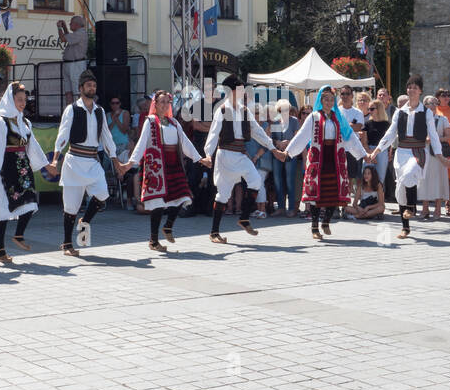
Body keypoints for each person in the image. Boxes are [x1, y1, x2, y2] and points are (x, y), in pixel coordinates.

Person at [202, 75, 286, 243]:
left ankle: (244, 218)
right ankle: (214, 233)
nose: (243, 91)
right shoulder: (222, 110)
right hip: (225, 156)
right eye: (240, 89)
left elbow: (257, 131)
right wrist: (208, 154)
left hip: (241, 155)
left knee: (255, 181)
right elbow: (213, 133)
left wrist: (273, 148)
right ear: (231, 91)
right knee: (223, 195)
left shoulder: (245, 111)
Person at [123, 90, 208, 251]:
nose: (164, 105)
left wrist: (200, 158)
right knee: (158, 203)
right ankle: (153, 240)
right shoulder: (150, 121)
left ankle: (168, 226)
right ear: (155, 104)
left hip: (174, 164)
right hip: (157, 166)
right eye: (161, 102)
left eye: (166, 102)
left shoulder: (174, 123)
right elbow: (141, 143)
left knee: (183, 196)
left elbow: (185, 143)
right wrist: (131, 163)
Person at [0, 82, 52, 262]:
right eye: (19, 99)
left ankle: (18, 234)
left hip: (22, 167)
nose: (22, 103)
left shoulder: (24, 121)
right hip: (6, 168)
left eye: (24, 100)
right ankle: (0, 249)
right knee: (2, 209)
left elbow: (33, 146)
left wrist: (46, 165)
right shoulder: (0, 121)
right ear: (10, 100)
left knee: (30, 202)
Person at [285, 86, 367, 239]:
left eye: (331, 99)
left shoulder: (339, 117)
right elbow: (302, 136)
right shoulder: (314, 116)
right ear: (320, 100)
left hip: (335, 159)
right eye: (326, 99)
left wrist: (363, 153)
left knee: (335, 193)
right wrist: (288, 152)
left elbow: (350, 136)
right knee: (317, 195)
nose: (329, 102)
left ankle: (326, 222)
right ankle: (315, 227)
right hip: (319, 158)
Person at [51, 69, 118, 257]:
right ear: (81, 88)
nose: (92, 88)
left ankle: (85, 221)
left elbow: (106, 136)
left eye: (94, 85)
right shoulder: (72, 109)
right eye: (88, 85)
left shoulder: (100, 111)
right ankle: (66, 244)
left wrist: (115, 160)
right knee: (70, 207)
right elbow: (62, 134)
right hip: (74, 161)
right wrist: (56, 158)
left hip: (92, 161)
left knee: (103, 195)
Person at [368, 74, 444, 240]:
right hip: (401, 152)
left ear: (420, 91)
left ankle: (411, 206)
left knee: (410, 173)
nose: (411, 90)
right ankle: (405, 227)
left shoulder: (426, 113)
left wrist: (440, 155)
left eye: (415, 88)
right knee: (400, 189)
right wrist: (377, 151)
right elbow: (390, 134)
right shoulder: (399, 112)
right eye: (409, 87)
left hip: (418, 151)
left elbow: (434, 135)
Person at [417, 96, 450, 220]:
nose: (431, 105)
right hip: (424, 153)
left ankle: (438, 209)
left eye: (434, 103)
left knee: (438, 180)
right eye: (428, 103)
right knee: (424, 180)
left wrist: (435, 139)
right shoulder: (420, 120)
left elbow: (448, 136)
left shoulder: (443, 119)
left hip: (437, 154)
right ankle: (425, 209)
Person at [269, 98, 300, 217]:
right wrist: (278, 142)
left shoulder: (294, 121)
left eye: (287, 109)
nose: (284, 111)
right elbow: (272, 137)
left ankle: (291, 208)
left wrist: (288, 142)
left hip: (290, 154)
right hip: (277, 153)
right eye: (282, 110)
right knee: (277, 180)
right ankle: (281, 207)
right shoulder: (276, 122)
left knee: (289, 181)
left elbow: (298, 137)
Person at [58, 16, 89, 104]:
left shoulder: (81, 33)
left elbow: (63, 39)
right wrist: (64, 27)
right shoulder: (77, 34)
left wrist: (59, 28)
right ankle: (70, 110)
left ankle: (79, 109)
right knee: (68, 90)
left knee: (76, 90)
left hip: (76, 64)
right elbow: (68, 37)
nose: (69, 24)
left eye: (71, 23)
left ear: (76, 24)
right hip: (70, 64)